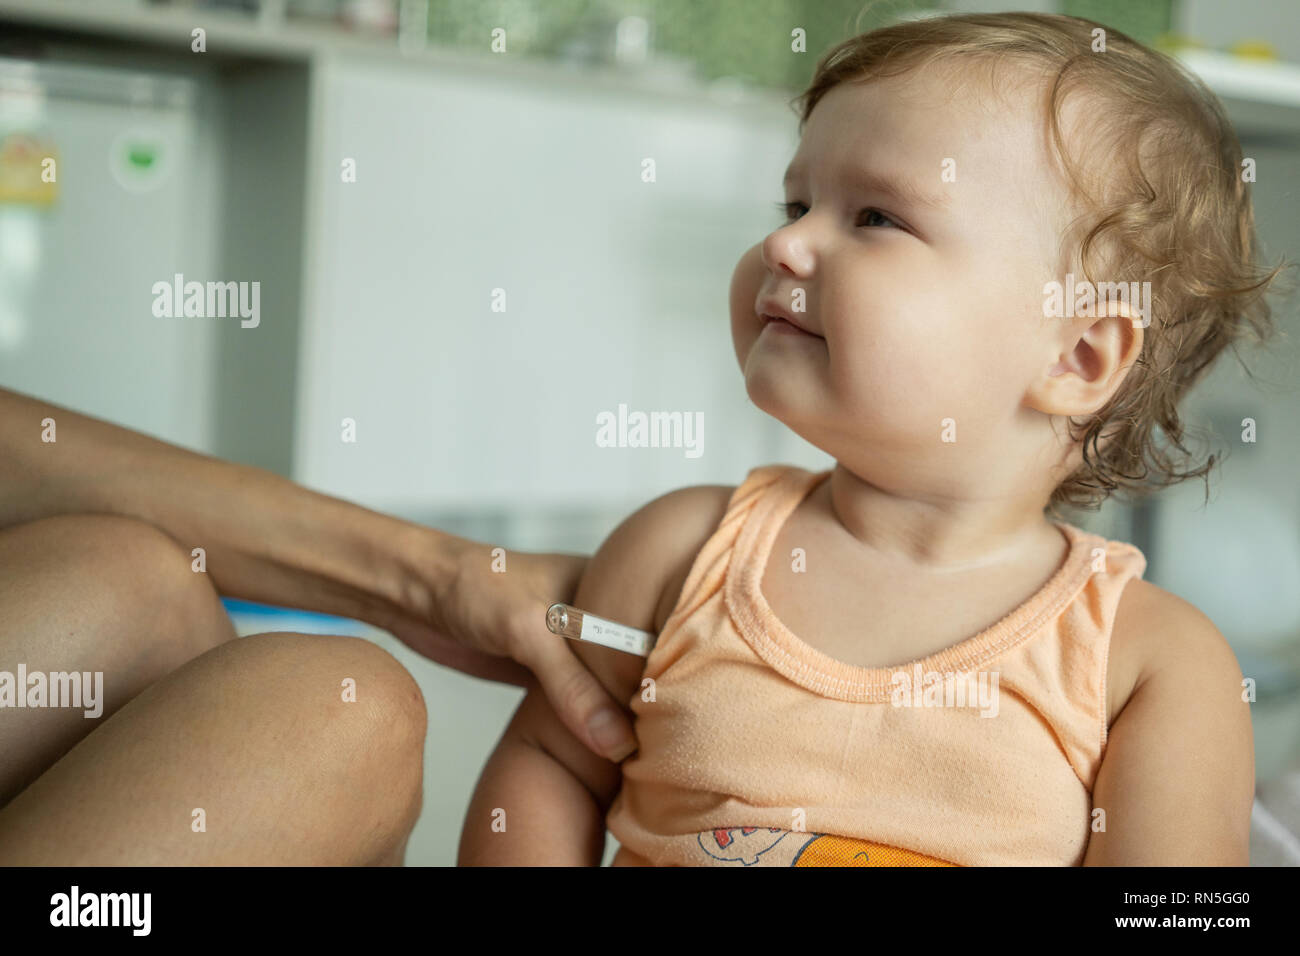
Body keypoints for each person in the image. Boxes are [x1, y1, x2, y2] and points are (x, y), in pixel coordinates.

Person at [458, 12, 1273, 866]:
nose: (785, 241)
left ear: (1075, 356)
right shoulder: (680, 552)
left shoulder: (1149, 663)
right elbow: (550, 764)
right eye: (798, 202)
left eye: (876, 216)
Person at [0, 386, 635, 864]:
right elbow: (555, 760)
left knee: (139, 579)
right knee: (347, 710)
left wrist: (438, 577)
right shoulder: (681, 540)